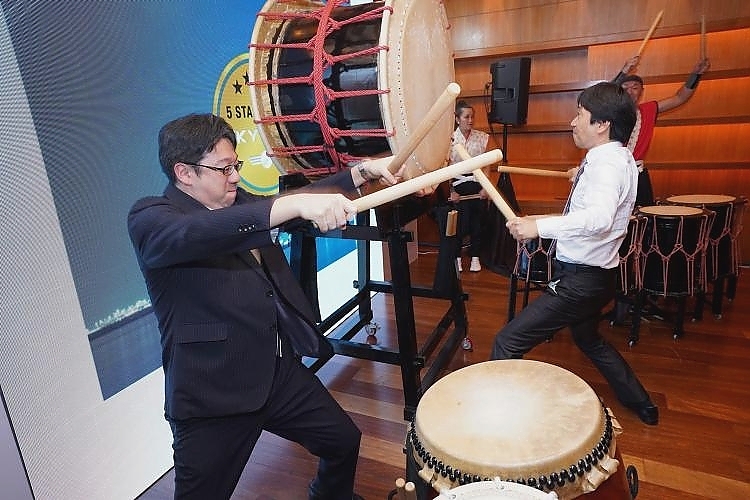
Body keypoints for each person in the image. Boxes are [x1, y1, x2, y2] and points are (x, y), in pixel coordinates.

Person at [128, 113, 402, 499]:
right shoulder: (152, 217)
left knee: (342, 441)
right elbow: (200, 233)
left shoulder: (236, 202)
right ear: (185, 173)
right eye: (224, 169)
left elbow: (288, 203)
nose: (236, 177)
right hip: (214, 394)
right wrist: (293, 208)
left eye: (235, 165)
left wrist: (361, 173)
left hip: (276, 374)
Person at [490, 82, 659, 426]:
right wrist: (581, 175)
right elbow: (599, 204)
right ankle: (642, 402)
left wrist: (538, 227)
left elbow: (598, 219)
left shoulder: (605, 166)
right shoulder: (620, 157)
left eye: (579, 114)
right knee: (589, 340)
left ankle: (501, 419)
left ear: (602, 124)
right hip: (599, 278)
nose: (572, 122)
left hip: (581, 281)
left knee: (506, 342)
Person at [612, 55, 711, 206]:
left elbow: (680, 98)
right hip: (614, 173)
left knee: (645, 215)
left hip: (638, 173)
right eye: (625, 88)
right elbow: (602, 95)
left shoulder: (649, 109)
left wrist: (696, 74)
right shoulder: (610, 111)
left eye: (635, 88)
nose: (630, 92)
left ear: (641, 91)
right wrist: (623, 71)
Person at [449, 100, 489, 272]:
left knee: (477, 223)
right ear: (457, 119)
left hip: (476, 183)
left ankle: (475, 257)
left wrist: (486, 187)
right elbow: (444, 167)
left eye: (472, 117)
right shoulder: (449, 139)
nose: (470, 120)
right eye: (466, 117)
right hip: (457, 185)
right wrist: (451, 191)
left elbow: (487, 164)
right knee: (460, 224)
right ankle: (457, 257)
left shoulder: (482, 137)